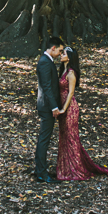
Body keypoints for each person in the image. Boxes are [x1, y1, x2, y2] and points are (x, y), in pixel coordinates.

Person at [55, 46, 108, 181]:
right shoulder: (63, 70)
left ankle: (75, 169)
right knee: (64, 137)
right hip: (63, 106)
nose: (61, 55)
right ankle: (65, 168)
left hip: (70, 108)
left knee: (71, 138)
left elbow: (71, 92)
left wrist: (64, 108)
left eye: (63, 53)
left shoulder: (71, 72)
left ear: (69, 57)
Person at [34, 36, 65, 183]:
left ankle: (41, 169)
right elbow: (47, 87)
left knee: (44, 139)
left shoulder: (47, 61)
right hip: (47, 107)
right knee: (44, 140)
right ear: (53, 48)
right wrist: (54, 107)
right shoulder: (45, 62)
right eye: (59, 50)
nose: (60, 53)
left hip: (46, 105)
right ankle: (41, 172)